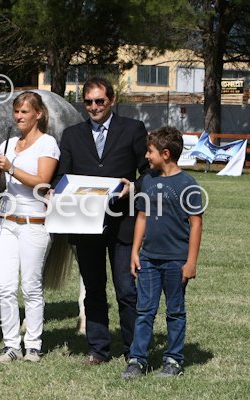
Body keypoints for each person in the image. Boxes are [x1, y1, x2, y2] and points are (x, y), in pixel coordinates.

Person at [55, 77, 149, 365]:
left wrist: (134, 187)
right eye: (88, 102)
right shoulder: (72, 135)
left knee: (127, 290)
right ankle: (98, 349)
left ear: (112, 100)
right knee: (93, 289)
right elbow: (62, 175)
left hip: (123, 222)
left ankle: (134, 350)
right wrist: (54, 194)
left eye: (99, 101)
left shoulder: (133, 129)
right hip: (85, 223)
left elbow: (148, 171)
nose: (94, 107)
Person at [0, 91, 60, 364]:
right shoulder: (8, 144)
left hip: (33, 224)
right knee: (4, 288)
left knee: (31, 287)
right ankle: (11, 345)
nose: (18, 116)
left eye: (24, 112)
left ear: (38, 114)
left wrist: (11, 168)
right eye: (16, 111)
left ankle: (33, 345)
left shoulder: (47, 144)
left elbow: (42, 181)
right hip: (5, 223)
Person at [121, 126, 204, 379]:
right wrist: (135, 251)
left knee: (175, 311)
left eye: (150, 151)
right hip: (148, 259)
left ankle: (173, 360)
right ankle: (137, 360)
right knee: (144, 311)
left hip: (176, 261)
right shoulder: (148, 180)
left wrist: (191, 262)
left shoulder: (188, 184)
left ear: (165, 154)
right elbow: (142, 217)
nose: (146, 156)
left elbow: (196, 224)